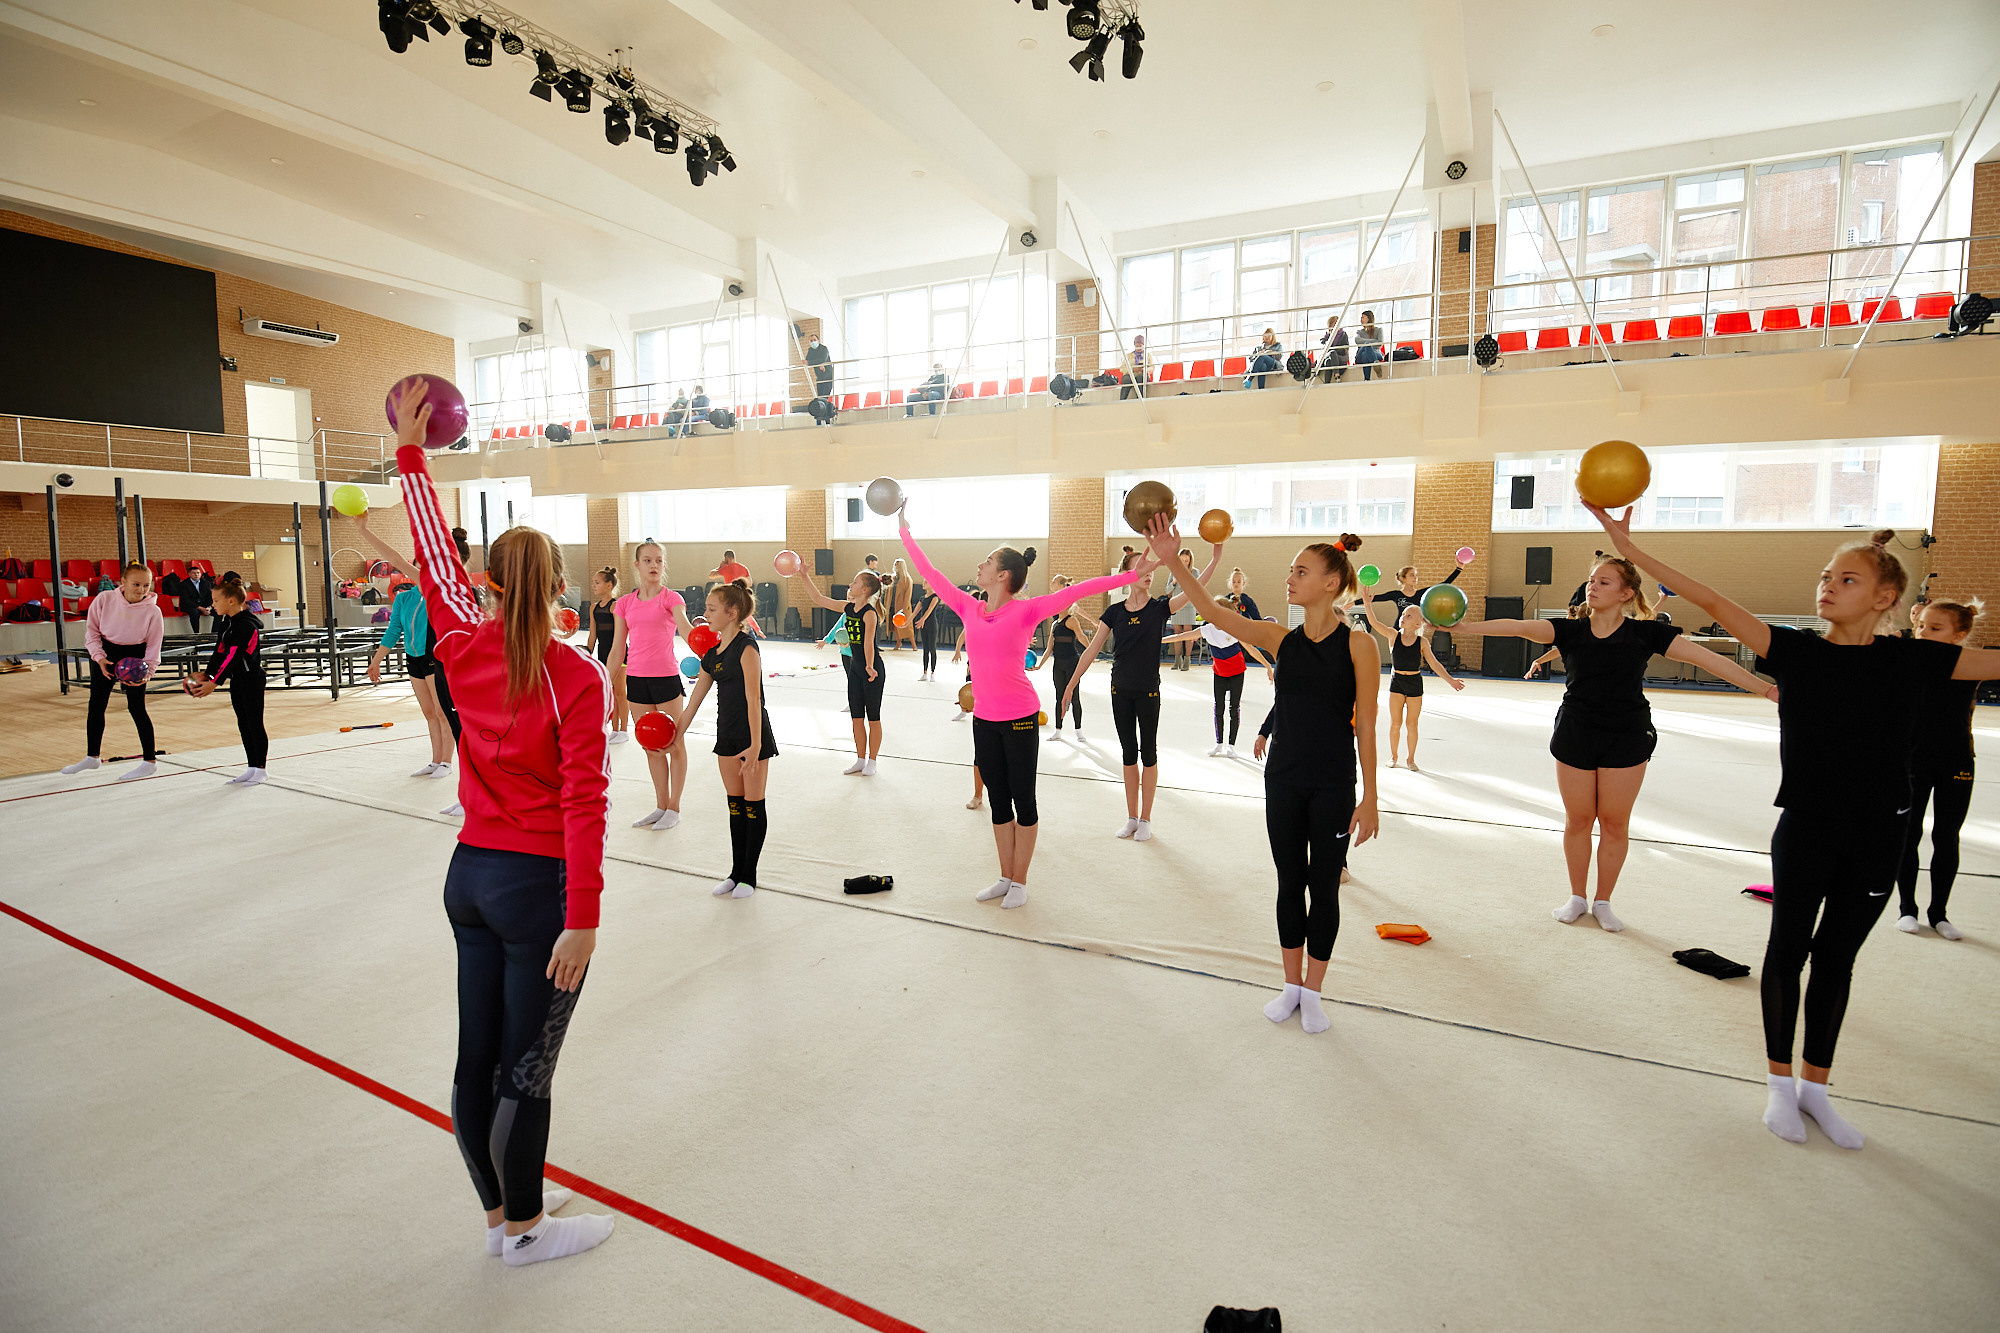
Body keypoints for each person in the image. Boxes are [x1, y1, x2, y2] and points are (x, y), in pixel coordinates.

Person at [1588, 513, 2000, 1148]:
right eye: (1825, 577)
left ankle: (1816, 1088)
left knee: (1838, 961)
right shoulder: (1796, 651)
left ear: (1887, 597)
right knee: (1788, 952)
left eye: (1847, 579)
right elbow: (1712, 599)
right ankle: (1779, 1084)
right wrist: (1630, 548)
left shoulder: (1918, 659)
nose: (1827, 587)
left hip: (1879, 834)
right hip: (1806, 828)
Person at [389, 378, 616, 1262]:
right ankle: (525, 1230)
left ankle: (499, 1216)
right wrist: (585, 916)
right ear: (561, 587)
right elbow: (583, 803)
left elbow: (432, 557)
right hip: (536, 888)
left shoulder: (457, 641)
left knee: (474, 1057)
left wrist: (414, 458)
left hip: (469, 879)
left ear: (484, 584)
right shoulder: (574, 675)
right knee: (527, 1069)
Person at [1451, 554, 1772, 929]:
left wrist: (1766, 689)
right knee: (1579, 819)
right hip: (1576, 731)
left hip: (1627, 735)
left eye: (1604, 582)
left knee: (1615, 823)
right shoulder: (1570, 631)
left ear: (1627, 593)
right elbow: (1517, 627)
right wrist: (1465, 628)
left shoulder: (1647, 633)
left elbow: (1710, 661)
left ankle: (1603, 901)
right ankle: (1576, 896)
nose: (1593, 586)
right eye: (1591, 580)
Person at [1146, 520, 1380, 1034]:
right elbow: (1210, 612)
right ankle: (1291, 985)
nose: (1290, 578)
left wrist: (1371, 797)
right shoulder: (1280, 639)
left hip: (1335, 785)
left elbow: (1366, 726)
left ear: (1331, 583)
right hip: (1284, 781)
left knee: (1325, 886)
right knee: (1288, 881)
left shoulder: (1359, 645)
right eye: (1291, 570)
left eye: (1301, 571)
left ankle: (1314, 993)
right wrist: (1171, 558)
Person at [901, 512, 1145, 908]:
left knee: (1023, 799)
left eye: (988, 561)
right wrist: (904, 531)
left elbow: (1083, 588)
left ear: (1002, 576)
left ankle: (1021, 881)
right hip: (985, 720)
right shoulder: (969, 607)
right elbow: (930, 573)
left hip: (1019, 718)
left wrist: (1132, 576)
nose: (979, 565)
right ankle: (1004, 875)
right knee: (998, 800)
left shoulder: (1026, 610)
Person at [1061, 543, 1222, 840]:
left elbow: (1196, 588)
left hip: (1148, 691)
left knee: (1148, 753)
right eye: (1142, 567)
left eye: (1151, 568)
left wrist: (1215, 557)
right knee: (1127, 754)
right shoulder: (1114, 613)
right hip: (1119, 691)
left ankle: (1146, 819)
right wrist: (1071, 685)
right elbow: (1092, 650)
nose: (1149, 572)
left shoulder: (1160, 608)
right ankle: (1132, 817)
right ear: (1125, 575)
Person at [682, 581, 776, 898]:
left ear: (731, 613)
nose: (704, 614)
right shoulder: (712, 655)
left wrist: (755, 746)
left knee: (752, 805)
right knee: (735, 807)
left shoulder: (747, 648)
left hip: (753, 736)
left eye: (711, 609)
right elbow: (693, 702)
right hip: (726, 737)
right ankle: (735, 873)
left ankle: (750, 876)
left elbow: (754, 699)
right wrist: (675, 735)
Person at [1896, 597, 1982, 939]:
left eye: (1934, 628)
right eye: (1919, 626)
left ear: (1958, 634)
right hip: (1914, 759)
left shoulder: (1971, 665)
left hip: (1956, 759)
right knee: (1909, 833)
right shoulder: (1907, 662)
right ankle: (1907, 909)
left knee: (1947, 836)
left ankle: (1939, 913)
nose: (1922, 632)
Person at [609, 541, 698, 830]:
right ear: (637, 565)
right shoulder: (624, 603)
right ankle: (660, 805)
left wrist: (706, 650)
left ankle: (675, 807)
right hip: (636, 679)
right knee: (650, 746)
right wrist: (602, 682)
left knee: (675, 744)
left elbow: (685, 629)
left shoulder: (671, 599)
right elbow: (616, 649)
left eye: (659, 561)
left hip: (666, 679)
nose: (654, 566)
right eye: (647, 560)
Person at [63, 562, 164, 781]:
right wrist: (99, 657)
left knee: (137, 708)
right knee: (97, 705)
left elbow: (154, 646)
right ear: (122, 582)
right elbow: (92, 632)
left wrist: (147, 672)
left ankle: (149, 761)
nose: (141, 590)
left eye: (146, 585)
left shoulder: (153, 611)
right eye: (136, 584)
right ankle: (92, 757)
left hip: (136, 659)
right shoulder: (104, 600)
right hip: (106, 655)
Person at [791, 566, 888, 774]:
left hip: (873, 671)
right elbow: (819, 599)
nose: (850, 585)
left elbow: (869, 643)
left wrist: (870, 666)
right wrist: (805, 575)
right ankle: (860, 759)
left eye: (854, 583)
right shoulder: (848, 608)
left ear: (864, 590)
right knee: (856, 717)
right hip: (855, 670)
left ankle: (872, 760)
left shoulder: (869, 614)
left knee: (873, 717)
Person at [184, 576, 268, 785]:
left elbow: (234, 655)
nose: (212, 604)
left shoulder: (247, 625)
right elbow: (219, 652)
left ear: (231, 600)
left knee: (254, 723)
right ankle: (251, 767)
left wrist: (215, 682)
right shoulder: (227, 622)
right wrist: (208, 674)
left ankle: (261, 769)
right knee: (243, 723)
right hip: (238, 680)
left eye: (215, 600)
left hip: (252, 679)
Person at [1378, 605, 1465, 769]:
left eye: (1409, 616)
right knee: (1395, 723)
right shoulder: (1393, 635)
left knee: (1412, 724)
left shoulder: (1422, 642)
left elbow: (1435, 664)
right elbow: (1375, 624)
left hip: (1414, 684)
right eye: (1403, 614)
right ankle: (1393, 756)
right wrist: (1368, 605)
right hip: (1396, 682)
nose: (1403, 617)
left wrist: (1451, 680)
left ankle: (1410, 759)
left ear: (1418, 624)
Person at [1044, 574, 1100, 744]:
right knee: (1059, 695)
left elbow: (1078, 614)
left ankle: (1078, 730)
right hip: (1058, 648)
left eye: (1054, 581)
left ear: (1060, 584)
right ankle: (1058, 730)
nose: (1051, 583)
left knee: (1074, 696)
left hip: (1070, 652)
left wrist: (1091, 651)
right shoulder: (1055, 602)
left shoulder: (1067, 598)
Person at [583, 566, 629, 745]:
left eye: (597, 582)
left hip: (618, 654)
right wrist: (587, 654)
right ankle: (614, 729)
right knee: (609, 693)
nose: (593, 585)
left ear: (609, 585)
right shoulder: (594, 608)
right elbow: (592, 635)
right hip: (602, 654)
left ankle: (623, 729)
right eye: (593, 582)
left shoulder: (616, 606)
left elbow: (620, 634)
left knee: (619, 692)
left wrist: (617, 656)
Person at [1366, 563, 1462, 635]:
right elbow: (1372, 599)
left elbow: (1443, 584)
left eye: (1416, 575)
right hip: (1399, 629)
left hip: (1416, 629)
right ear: (1403, 578)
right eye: (1412, 575)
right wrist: (1353, 603)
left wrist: (1459, 568)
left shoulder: (1421, 593)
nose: (1415, 578)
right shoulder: (1396, 595)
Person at [912, 581, 942, 680]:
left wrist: (922, 620)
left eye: (926, 582)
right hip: (923, 626)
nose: (923, 583)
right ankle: (925, 673)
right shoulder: (922, 598)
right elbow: (914, 613)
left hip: (932, 625)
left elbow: (929, 610)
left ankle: (932, 673)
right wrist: (906, 623)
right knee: (925, 649)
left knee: (932, 649)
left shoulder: (935, 597)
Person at [177, 563, 214, 638]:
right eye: (194, 573)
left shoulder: (205, 583)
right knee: (194, 612)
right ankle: (196, 633)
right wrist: (200, 608)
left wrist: (208, 607)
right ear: (189, 574)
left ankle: (214, 632)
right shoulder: (183, 584)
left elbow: (209, 597)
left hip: (204, 605)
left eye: (198, 573)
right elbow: (186, 600)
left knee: (218, 612)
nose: (196, 575)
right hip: (190, 606)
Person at [889, 558, 915, 651]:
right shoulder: (894, 578)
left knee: (907, 626)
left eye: (897, 565)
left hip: (903, 606)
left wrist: (904, 608)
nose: (895, 567)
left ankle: (914, 645)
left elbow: (908, 595)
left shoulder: (907, 579)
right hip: (894, 604)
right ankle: (898, 642)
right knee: (896, 625)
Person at [1354, 310, 1384, 380]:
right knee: (1366, 347)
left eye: (1363, 317)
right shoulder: (1359, 331)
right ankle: (1375, 364)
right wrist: (1372, 342)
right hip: (1359, 356)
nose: (1361, 320)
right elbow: (1357, 340)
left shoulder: (1379, 330)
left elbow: (1380, 343)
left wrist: (1366, 343)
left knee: (1365, 354)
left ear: (1368, 318)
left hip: (1376, 353)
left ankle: (1367, 379)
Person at [1317, 317, 1350, 383]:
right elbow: (1325, 349)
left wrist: (1334, 351)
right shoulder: (1326, 337)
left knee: (1330, 358)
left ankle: (1327, 382)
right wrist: (1330, 336)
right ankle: (1337, 376)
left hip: (1339, 360)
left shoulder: (1343, 335)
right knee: (1332, 353)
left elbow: (1344, 350)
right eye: (1334, 323)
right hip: (1328, 356)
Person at [804, 332, 833, 403]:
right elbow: (807, 361)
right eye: (811, 341)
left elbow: (823, 359)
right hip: (819, 377)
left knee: (824, 396)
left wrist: (811, 362)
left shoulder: (823, 349)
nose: (813, 342)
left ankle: (825, 410)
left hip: (827, 376)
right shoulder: (810, 350)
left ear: (818, 340)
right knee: (819, 396)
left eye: (814, 340)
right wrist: (810, 362)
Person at [1122, 335, 1149, 400]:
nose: (1139, 348)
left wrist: (1144, 369)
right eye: (1137, 346)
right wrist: (1132, 369)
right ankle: (1122, 399)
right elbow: (1122, 368)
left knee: (1140, 378)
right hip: (1130, 374)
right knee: (1126, 379)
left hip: (1142, 374)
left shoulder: (1148, 355)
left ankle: (1140, 399)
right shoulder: (1128, 356)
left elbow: (1152, 367)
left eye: (1140, 346)